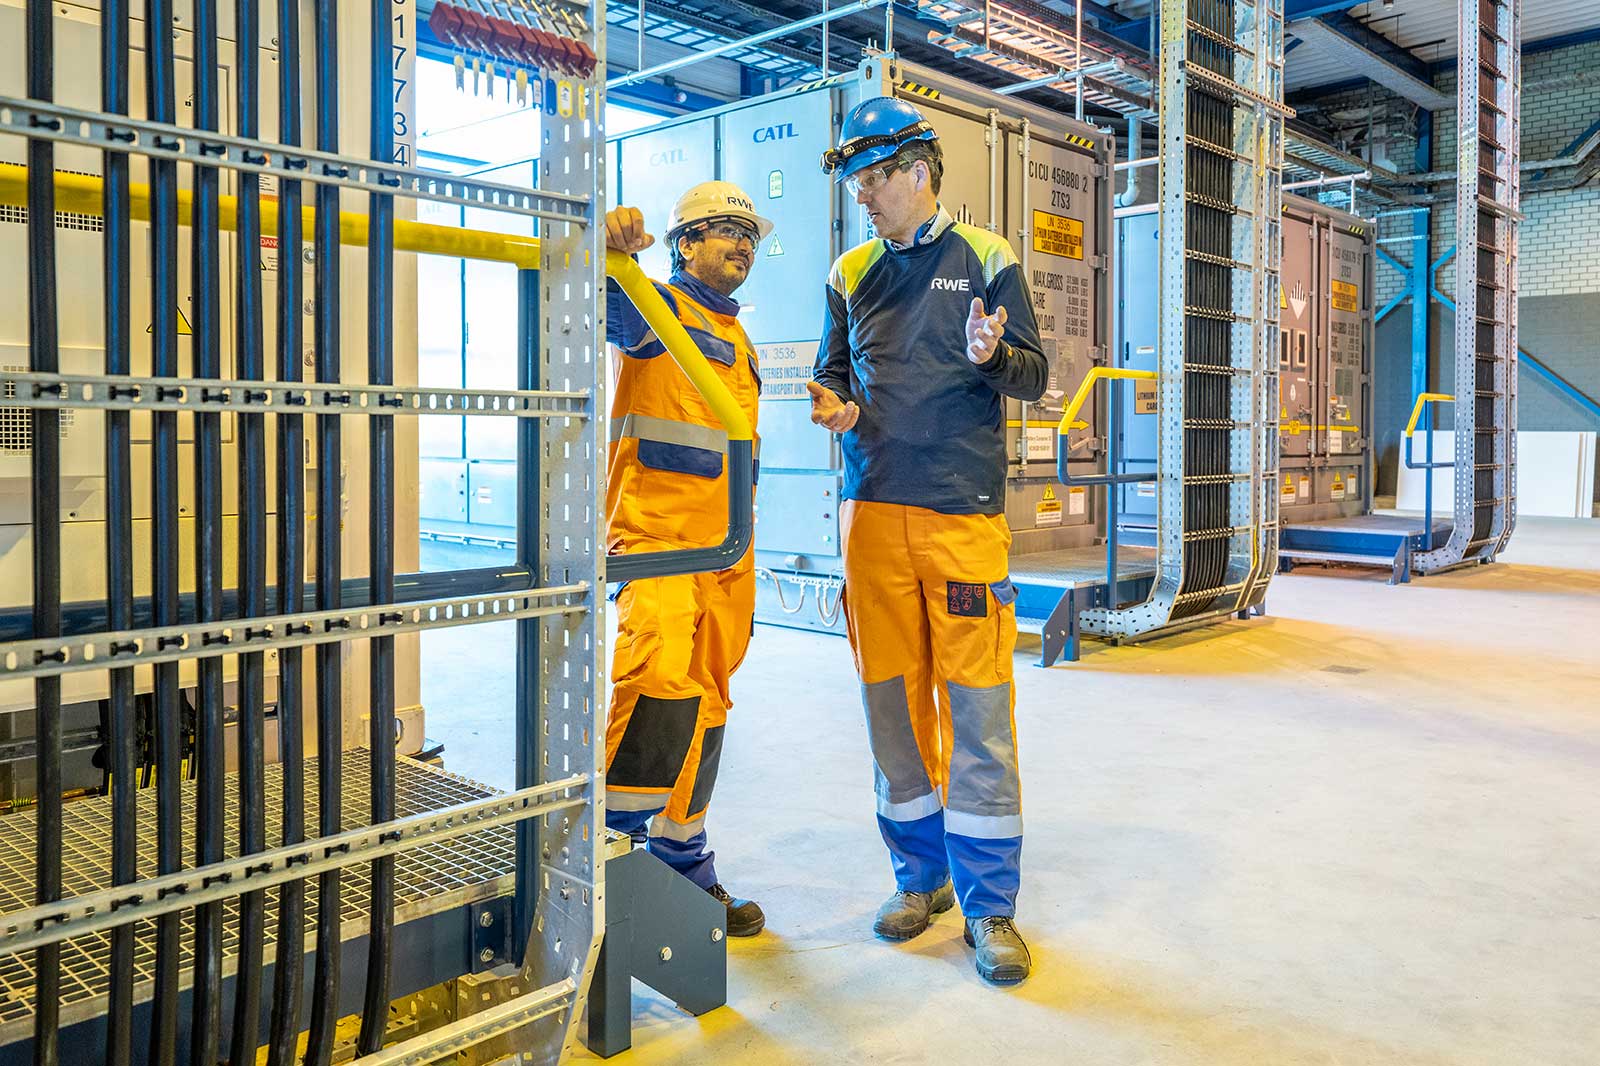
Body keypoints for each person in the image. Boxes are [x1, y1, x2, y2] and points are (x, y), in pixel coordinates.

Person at [808, 97, 1048, 982]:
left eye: (874, 180)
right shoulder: (849, 271)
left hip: (961, 514)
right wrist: (834, 404)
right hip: (871, 512)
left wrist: (992, 356)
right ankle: (920, 879)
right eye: (856, 185)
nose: (863, 197)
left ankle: (990, 907)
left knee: (977, 707)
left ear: (919, 173)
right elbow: (834, 371)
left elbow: (1034, 373)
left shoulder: (987, 257)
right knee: (891, 703)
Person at [601, 181, 770, 936]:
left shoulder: (739, 338)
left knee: (707, 705)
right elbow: (598, 308)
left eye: (750, 235)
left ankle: (683, 867)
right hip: (659, 541)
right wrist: (606, 255)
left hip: (726, 553)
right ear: (686, 243)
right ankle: (603, 867)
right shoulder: (654, 305)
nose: (743, 245)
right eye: (726, 230)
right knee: (658, 683)